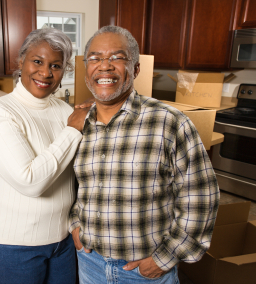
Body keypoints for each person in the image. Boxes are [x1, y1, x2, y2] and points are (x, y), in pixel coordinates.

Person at [69, 25, 220, 284]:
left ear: (136, 69)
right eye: (95, 58)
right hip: (90, 263)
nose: (104, 66)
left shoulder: (170, 123)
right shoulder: (77, 124)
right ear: (87, 69)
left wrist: (165, 259)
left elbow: (201, 198)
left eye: (117, 57)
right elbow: (76, 186)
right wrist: (75, 225)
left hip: (144, 273)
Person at [0, 28, 88, 284]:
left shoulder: (63, 110)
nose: (46, 72)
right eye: (37, 61)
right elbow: (30, 181)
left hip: (63, 241)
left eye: (56, 65)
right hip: (13, 246)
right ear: (21, 62)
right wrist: (72, 130)